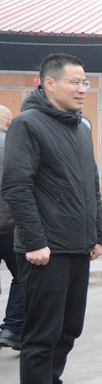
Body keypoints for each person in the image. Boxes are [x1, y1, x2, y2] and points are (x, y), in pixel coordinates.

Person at [2, 53, 102, 384]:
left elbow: (90, 183)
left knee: (68, 328)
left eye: (85, 82)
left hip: (77, 245)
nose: (82, 89)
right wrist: (34, 241)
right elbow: (17, 186)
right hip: (45, 250)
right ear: (48, 83)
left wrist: (97, 233)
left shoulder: (81, 126)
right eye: (74, 82)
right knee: (41, 335)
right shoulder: (28, 125)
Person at [0, 105, 22, 351]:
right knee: (22, 277)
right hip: (11, 227)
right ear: (9, 122)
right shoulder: (14, 147)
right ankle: (13, 329)